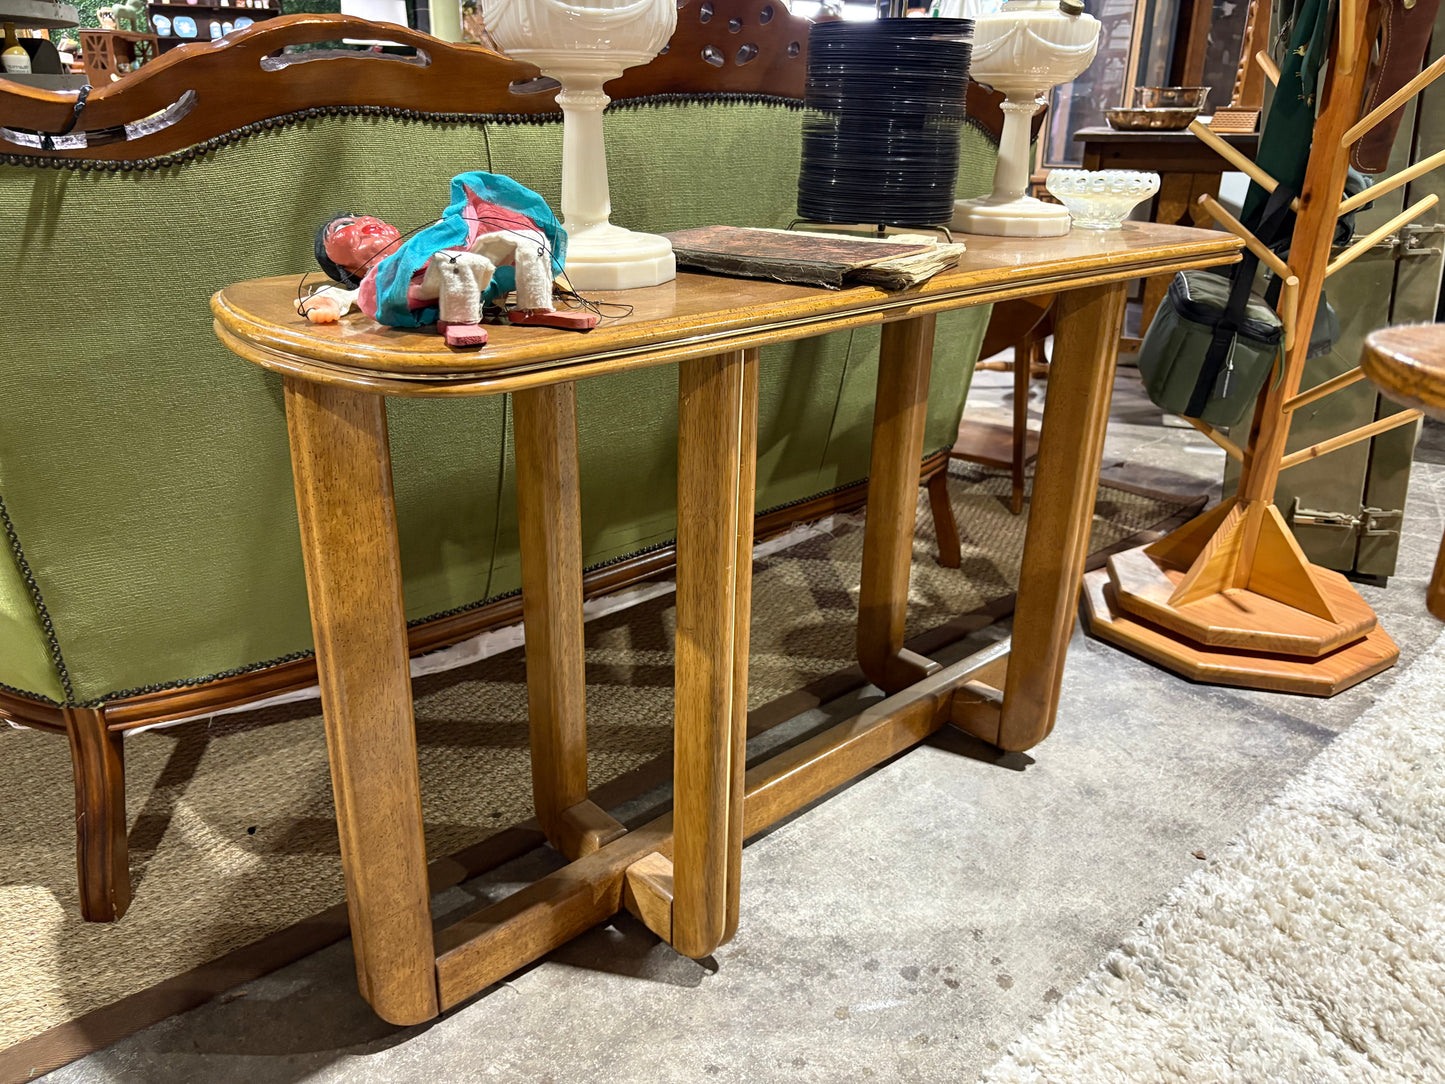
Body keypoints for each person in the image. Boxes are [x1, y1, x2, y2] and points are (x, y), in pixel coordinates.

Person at [301, 171, 597, 348]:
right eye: (342, 227)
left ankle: (534, 308)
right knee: (457, 262)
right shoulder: (378, 282)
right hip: (429, 286)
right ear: (344, 268)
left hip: (477, 274)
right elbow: (342, 296)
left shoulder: (427, 242)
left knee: (529, 244)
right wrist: (328, 302)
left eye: (362, 216)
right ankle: (460, 321)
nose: (361, 221)